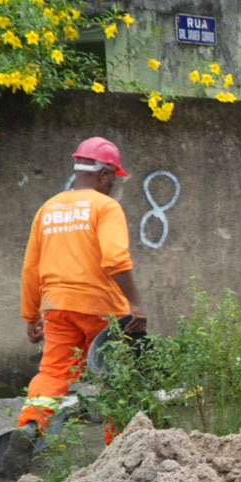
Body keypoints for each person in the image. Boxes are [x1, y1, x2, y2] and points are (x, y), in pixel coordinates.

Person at [17, 137, 148, 434]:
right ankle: (121, 444)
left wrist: (31, 316)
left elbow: (31, 268)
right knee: (119, 375)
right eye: (113, 176)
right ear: (103, 174)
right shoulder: (105, 206)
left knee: (53, 372)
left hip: (56, 307)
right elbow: (115, 258)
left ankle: (31, 423)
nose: (113, 183)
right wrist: (135, 305)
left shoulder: (48, 209)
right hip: (101, 309)